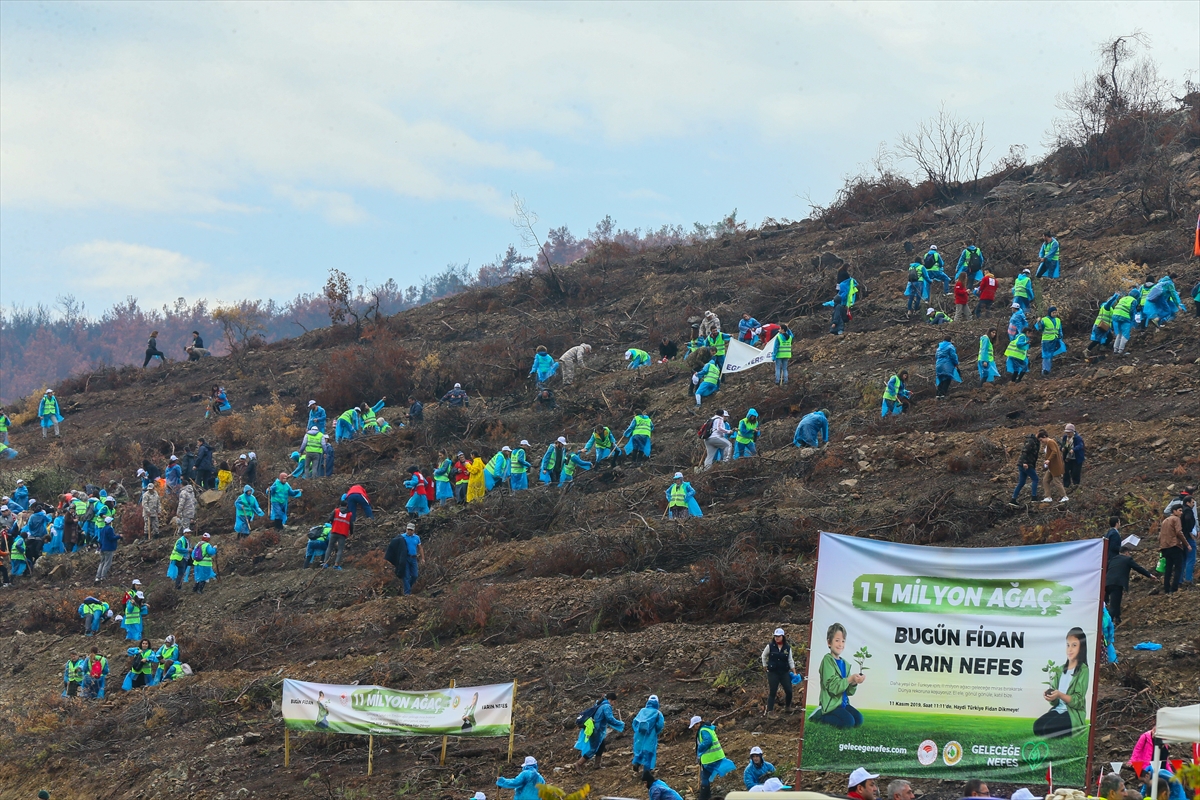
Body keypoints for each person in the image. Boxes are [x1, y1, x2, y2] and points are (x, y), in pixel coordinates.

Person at [1032, 627, 1089, 738]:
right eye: (1068, 645)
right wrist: (1052, 697)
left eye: (1074, 645)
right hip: (1059, 710)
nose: (1070, 649)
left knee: (1047, 729)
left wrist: (1060, 695)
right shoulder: (1060, 669)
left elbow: (1078, 701)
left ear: (1081, 647)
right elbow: (1055, 703)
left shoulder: (1083, 670)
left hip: (1072, 713)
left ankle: (1074, 729)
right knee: (1037, 727)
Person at [812, 622, 864, 728]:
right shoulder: (828, 660)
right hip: (832, 705)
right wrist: (849, 679)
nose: (840, 644)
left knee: (859, 719)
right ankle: (820, 716)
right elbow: (833, 687)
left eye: (843, 641)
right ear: (829, 642)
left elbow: (849, 692)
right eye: (837, 640)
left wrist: (854, 682)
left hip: (843, 703)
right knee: (848, 723)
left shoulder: (845, 664)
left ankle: (838, 715)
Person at [1105, 544, 1153, 625]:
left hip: (1107, 583)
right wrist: (1149, 575)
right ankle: (1107, 625)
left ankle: (1118, 618)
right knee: (1113, 605)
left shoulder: (1112, 560)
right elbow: (1138, 568)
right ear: (1127, 553)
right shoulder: (1127, 559)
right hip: (1117, 583)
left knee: (1116, 601)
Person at [574, 692, 624, 770]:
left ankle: (597, 765)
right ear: (610, 700)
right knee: (594, 748)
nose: (614, 704)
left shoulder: (599, 704)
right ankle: (578, 764)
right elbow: (610, 719)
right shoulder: (607, 706)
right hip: (597, 730)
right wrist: (620, 723)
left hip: (594, 729)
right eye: (614, 701)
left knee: (601, 745)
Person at [691, 715, 735, 800]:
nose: (694, 728)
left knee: (705, 777)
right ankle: (706, 797)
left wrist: (700, 748)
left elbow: (708, 741)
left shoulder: (703, 730)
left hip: (710, 758)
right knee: (705, 777)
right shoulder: (707, 728)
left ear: (698, 723)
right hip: (716, 757)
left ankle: (704, 797)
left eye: (694, 725)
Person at [761, 627, 796, 714]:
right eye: (775, 636)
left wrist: (794, 671)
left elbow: (790, 660)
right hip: (773, 672)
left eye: (778, 636)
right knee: (773, 691)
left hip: (784, 672)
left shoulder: (787, 648)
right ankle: (770, 711)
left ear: (783, 637)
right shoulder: (770, 646)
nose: (777, 638)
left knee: (789, 690)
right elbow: (763, 656)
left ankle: (788, 707)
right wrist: (765, 665)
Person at [1158, 506, 1190, 595]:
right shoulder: (1176, 519)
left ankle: (1166, 589)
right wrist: (1187, 544)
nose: (1181, 512)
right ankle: (1174, 588)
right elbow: (1179, 532)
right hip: (1174, 546)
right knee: (1178, 567)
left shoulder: (1164, 521)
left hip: (1165, 548)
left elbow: (1160, 536)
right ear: (1174, 511)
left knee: (1168, 568)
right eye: (1180, 510)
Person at [631, 694, 665, 777]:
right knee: (649, 753)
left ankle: (636, 762)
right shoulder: (657, 713)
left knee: (638, 751)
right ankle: (646, 773)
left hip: (639, 735)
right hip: (650, 735)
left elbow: (634, 722)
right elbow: (660, 725)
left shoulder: (642, 711)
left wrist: (637, 730)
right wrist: (655, 731)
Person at [387, 522, 424, 595]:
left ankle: (408, 587)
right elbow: (394, 546)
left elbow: (420, 548)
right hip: (405, 558)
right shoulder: (401, 537)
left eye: (411, 530)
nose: (409, 531)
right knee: (406, 576)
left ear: (414, 530)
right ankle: (407, 593)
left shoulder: (417, 538)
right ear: (406, 529)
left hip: (413, 558)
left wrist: (423, 558)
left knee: (415, 575)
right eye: (408, 529)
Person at [1036, 430, 1068, 503]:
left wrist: (1048, 460)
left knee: (1057, 481)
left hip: (1055, 466)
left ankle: (1064, 496)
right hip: (1051, 467)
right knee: (1045, 480)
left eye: (1041, 440)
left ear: (1044, 437)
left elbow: (1054, 451)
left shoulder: (1050, 442)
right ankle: (1048, 497)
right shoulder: (1048, 443)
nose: (1041, 442)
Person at [1036, 306, 1066, 376]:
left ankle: (1047, 369)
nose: (1054, 314)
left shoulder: (1058, 320)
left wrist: (1060, 336)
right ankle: (1045, 370)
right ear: (1050, 313)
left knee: (1051, 355)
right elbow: (1040, 329)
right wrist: (1039, 322)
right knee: (1046, 355)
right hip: (1047, 340)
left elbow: (1059, 329)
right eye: (1053, 312)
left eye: (1055, 312)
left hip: (1055, 339)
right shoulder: (1044, 319)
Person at [322, 502, 354, 569]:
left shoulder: (336, 511)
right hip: (343, 534)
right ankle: (336, 564)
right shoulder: (349, 514)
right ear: (347, 506)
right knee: (340, 549)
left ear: (340, 505)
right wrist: (351, 532)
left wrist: (332, 523)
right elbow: (351, 525)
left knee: (329, 547)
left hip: (334, 531)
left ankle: (325, 563)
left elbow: (330, 519)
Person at [95, 516, 119, 583]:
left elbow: (100, 539)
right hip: (108, 548)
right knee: (107, 563)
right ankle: (103, 577)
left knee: (102, 563)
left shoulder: (103, 529)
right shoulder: (110, 529)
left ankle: (97, 577)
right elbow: (111, 538)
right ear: (110, 522)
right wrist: (119, 536)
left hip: (102, 548)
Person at [1061, 424, 1085, 489]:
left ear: (1072, 432)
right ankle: (1066, 486)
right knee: (1066, 472)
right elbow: (1063, 445)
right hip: (1068, 458)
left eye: (1069, 432)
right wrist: (1062, 448)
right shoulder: (1065, 437)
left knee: (1075, 473)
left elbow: (1080, 446)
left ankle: (1076, 485)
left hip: (1076, 459)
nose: (1067, 434)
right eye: (1066, 432)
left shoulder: (1078, 438)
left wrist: (1073, 449)